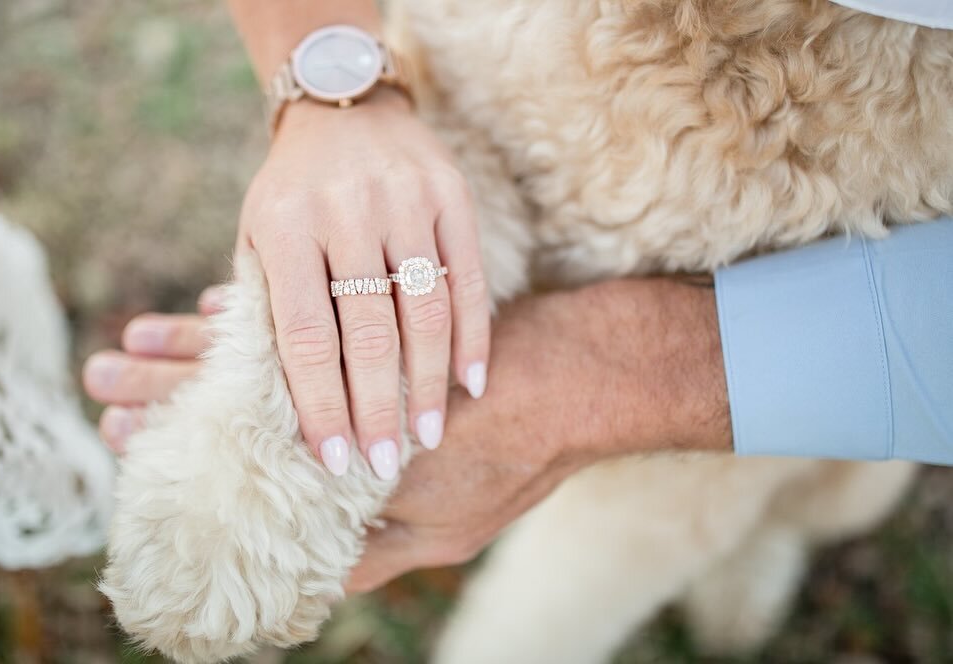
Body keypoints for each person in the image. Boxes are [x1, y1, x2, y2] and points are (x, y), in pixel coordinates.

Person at [83, 0, 953, 591]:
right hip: (483, 66)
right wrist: (329, 84)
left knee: (720, 525)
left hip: (843, 237)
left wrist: (636, 375)